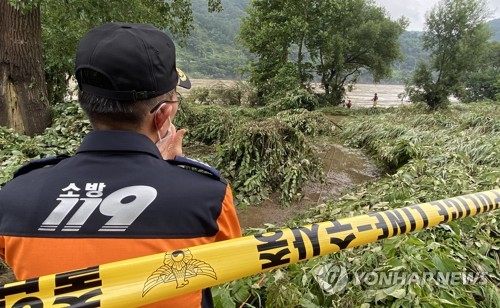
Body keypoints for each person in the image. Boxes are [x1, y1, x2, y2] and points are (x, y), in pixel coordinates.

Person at [0, 22, 241, 307]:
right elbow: (228, 262)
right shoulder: (208, 197)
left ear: (86, 103)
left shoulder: (14, 197)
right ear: (163, 115)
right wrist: (167, 175)